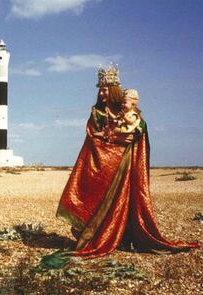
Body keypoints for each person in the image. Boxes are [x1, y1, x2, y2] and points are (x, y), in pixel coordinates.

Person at [56, 65, 199, 257]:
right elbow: (94, 137)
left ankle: (122, 235)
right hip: (104, 165)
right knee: (100, 201)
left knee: (120, 201)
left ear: (113, 90)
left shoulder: (124, 108)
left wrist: (125, 134)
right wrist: (112, 138)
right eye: (99, 89)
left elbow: (139, 126)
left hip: (123, 165)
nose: (101, 92)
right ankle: (92, 234)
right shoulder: (97, 112)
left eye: (105, 88)